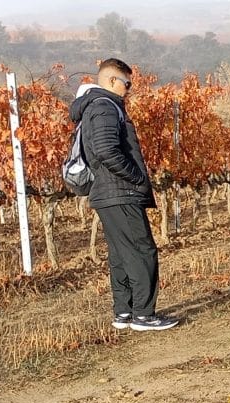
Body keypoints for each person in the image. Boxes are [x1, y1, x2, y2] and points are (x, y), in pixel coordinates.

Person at [69, 58, 177, 332]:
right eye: (127, 83)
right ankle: (144, 315)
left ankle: (124, 313)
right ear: (112, 81)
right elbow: (105, 149)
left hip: (108, 193)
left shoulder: (95, 107)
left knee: (120, 253)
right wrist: (136, 176)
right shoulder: (105, 107)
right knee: (142, 251)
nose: (129, 89)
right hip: (120, 191)